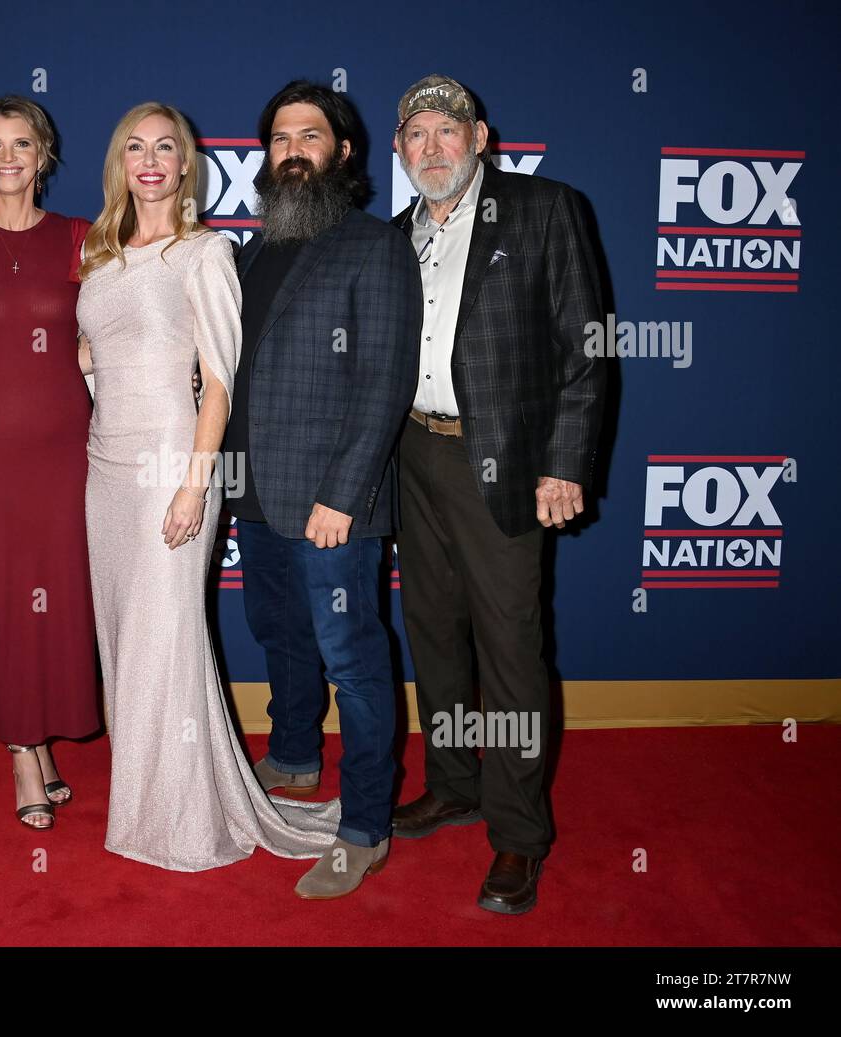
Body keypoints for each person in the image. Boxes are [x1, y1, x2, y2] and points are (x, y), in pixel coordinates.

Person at [77, 101, 341, 873]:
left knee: (168, 638)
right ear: (120, 162)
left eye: (167, 147)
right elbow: (95, 352)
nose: (151, 159)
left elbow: (219, 385)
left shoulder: (206, 252)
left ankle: (185, 817)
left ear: (186, 164)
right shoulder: (101, 253)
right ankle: (142, 795)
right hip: (104, 469)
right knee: (124, 638)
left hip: (172, 463)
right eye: (136, 147)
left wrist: (196, 485)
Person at [388, 74, 606, 915]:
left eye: (448, 131)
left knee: (510, 652)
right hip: (412, 453)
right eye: (417, 135)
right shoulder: (393, 235)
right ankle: (454, 783)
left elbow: (585, 348)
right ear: (401, 149)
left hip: (504, 461)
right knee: (433, 637)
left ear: (480, 136)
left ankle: (518, 833)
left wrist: (567, 461)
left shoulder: (545, 208)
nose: (433, 148)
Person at [222, 81, 419, 899]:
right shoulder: (248, 250)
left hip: (333, 500)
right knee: (278, 632)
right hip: (257, 492)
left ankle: (366, 825)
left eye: (310, 135)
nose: (293, 149)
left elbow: (384, 380)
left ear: (343, 151)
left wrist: (344, 494)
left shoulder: (373, 246)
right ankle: (297, 753)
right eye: (279, 138)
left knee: (354, 658)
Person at [0, 97, 101, 831]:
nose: (8, 157)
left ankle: (43, 733)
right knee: (3, 601)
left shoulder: (78, 238)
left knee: (60, 595)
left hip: (67, 449)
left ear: (44, 155)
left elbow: (102, 344)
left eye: (22, 143)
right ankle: (22, 750)